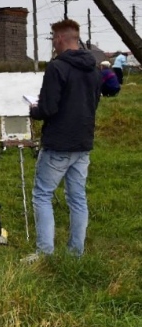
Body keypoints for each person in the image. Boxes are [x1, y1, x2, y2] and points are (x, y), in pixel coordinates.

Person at [25, 19, 100, 262]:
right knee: (77, 197)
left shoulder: (57, 68)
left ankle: (44, 253)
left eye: (52, 39)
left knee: (42, 195)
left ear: (59, 39)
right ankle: (75, 252)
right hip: (83, 142)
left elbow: (48, 108)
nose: (53, 43)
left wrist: (33, 110)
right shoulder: (94, 67)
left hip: (59, 143)